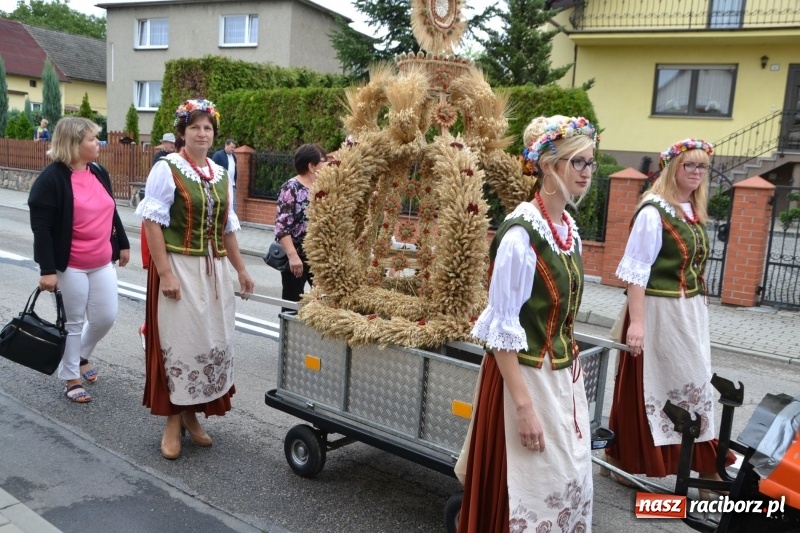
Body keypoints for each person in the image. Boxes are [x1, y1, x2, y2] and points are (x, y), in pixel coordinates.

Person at [456, 116, 597, 532]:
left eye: (591, 163)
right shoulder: (520, 236)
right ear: (549, 165)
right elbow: (500, 334)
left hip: (559, 381)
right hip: (523, 380)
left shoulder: (568, 230)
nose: (588, 173)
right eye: (578, 163)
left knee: (567, 480)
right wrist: (523, 409)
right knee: (528, 488)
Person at [605, 138, 734, 488]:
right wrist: (639, 325)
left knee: (693, 384)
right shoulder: (653, 212)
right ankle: (638, 461)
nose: (696, 172)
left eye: (702, 166)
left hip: (688, 312)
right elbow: (635, 272)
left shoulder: (691, 209)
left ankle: (625, 459)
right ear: (673, 168)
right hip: (659, 312)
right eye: (688, 165)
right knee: (665, 386)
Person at [135, 99, 254, 460]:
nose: (202, 134)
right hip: (179, 268)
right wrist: (166, 273)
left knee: (208, 341)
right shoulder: (167, 168)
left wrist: (242, 269)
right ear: (183, 133)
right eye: (195, 128)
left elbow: (227, 228)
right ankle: (172, 419)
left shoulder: (219, 174)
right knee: (180, 342)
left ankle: (191, 412)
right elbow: (152, 223)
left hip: (213, 271)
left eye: (208, 128)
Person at [28, 117, 130, 402]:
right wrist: (47, 270)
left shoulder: (98, 171)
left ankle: (80, 355)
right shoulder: (51, 180)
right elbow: (42, 230)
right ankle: (71, 376)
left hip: (101, 261)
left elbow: (111, 210)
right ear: (73, 143)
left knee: (105, 317)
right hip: (69, 264)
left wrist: (122, 243)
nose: (97, 143)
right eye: (90, 139)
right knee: (74, 322)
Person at [274, 143, 326, 304]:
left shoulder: (323, 187)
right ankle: (289, 330)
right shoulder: (291, 188)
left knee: (324, 302)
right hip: (297, 258)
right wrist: (293, 257)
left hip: (319, 257)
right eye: (324, 161)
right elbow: (282, 227)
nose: (327, 165)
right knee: (292, 303)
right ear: (312, 166)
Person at [212, 139, 238, 212]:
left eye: (234, 148)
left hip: (232, 184)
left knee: (233, 203)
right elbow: (212, 169)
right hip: (221, 185)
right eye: (231, 147)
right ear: (226, 145)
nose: (233, 149)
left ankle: (233, 222)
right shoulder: (218, 155)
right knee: (222, 202)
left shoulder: (234, 157)